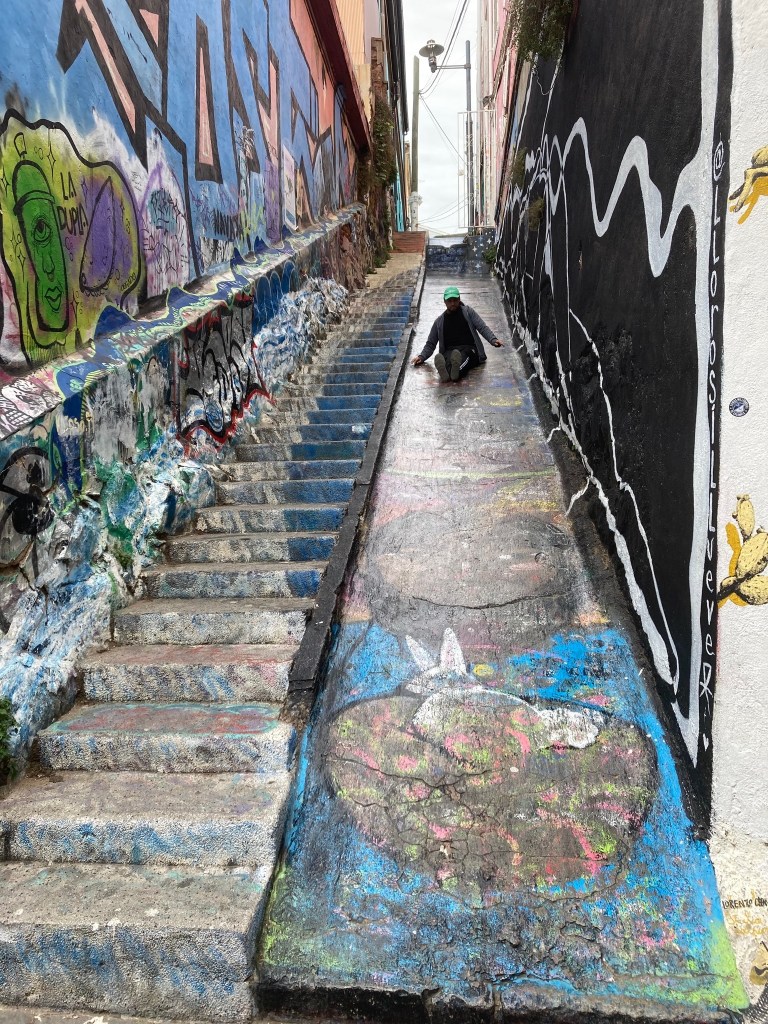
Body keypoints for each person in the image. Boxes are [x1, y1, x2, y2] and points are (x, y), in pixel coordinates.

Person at [411, 286, 503, 382]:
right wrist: (421, 356)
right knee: (447, 360)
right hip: (449, 352)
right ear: (445, 301)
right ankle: (447, 372)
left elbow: (482, 327)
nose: (453, 303)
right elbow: (431, 343)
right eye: (449, 301)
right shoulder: (439, 321)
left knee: (463, 359)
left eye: (455, 300)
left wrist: (493, 339)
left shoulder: (468, 312)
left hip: (469, 349)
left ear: (459, 299)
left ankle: (454, 373)